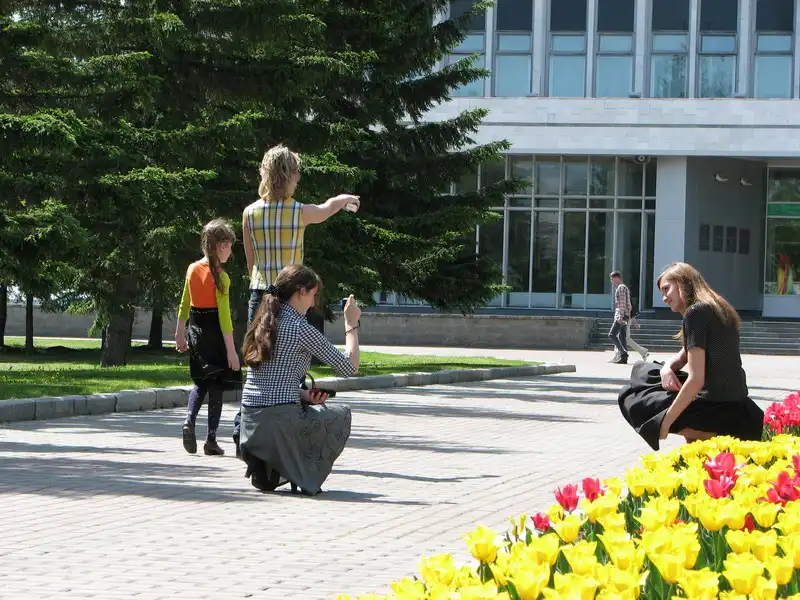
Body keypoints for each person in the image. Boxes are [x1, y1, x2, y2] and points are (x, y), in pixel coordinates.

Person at [232, 144, 360, 455]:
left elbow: (250, 261)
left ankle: (243, 429)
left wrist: (262, 286)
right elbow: (326, 208)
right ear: (287, 175)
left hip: (260, 295)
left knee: (258, 364)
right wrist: (345, 199)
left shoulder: (250, 212)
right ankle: (289, 433)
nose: (299, 178)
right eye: (297, 173)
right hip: (291, 298)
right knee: (293, 365)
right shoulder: (298, 211)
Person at [238, 264, 361, 496]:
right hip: (280, 422)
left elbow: (268, 380)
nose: (314, 303)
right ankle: (301, 471)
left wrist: (303, 395)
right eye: (314, 295)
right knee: (339, 414)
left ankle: (274, 466)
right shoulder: (299, 328)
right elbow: (349, 367)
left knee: (308, 409)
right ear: (301, 292)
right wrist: (351, 324)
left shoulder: (262, 322)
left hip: (249, 421)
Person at [618, 262, 763, 451]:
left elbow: (696, 380)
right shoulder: (718, 307)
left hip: (715, 408)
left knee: (630, 395)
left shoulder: (695, 313)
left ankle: (711, 434)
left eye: (666, 289)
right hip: (736, 403)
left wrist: (664, 423)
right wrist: (666, 369)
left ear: (681, 282)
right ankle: (701, 444)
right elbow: (684, 355)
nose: (664, 298)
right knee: (648, 372)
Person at [175, 219, 242, 456]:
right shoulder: (221, 278)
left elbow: (184, 303)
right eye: (230, 246)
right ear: (221, 246)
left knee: (200, 382)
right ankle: (211, 439)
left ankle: (189, 420)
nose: (231, 252)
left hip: (196, 331)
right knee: (216, 386)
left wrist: (180, 333)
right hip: (215, 336)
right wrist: (232, 351)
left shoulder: (192, 269)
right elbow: (224, 318)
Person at [608, 271, 632, 364]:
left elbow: (622, 303)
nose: (611, 281)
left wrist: (620, 317)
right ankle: (623, 358)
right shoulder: (623, 287)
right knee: (622, 336)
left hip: (622, 315)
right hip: (625, 315)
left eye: (612, 279)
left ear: (616, 278)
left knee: (612, 334)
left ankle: (623, 353)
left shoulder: (621, 288)